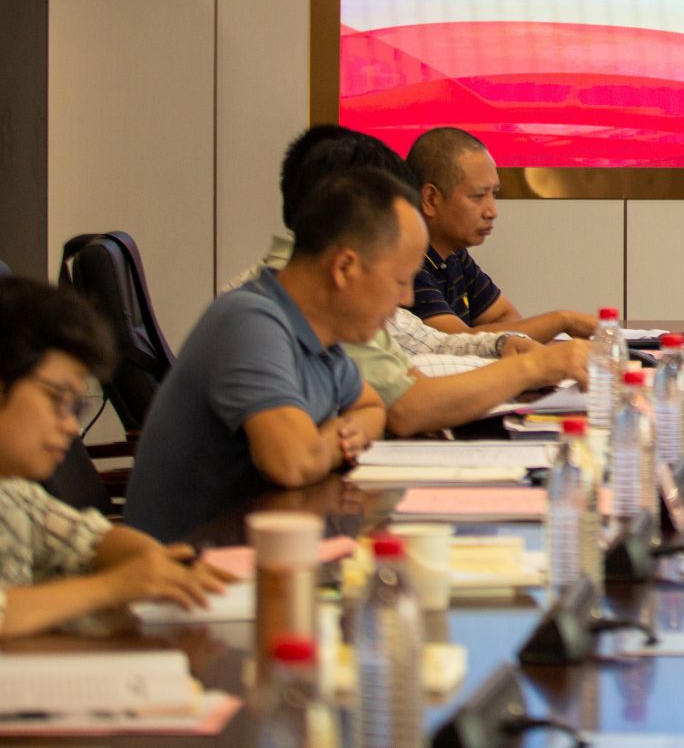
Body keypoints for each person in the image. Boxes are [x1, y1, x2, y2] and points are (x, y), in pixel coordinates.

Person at [125, 170, 409, 540]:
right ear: (344, 268)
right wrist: (335, 444)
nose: (407, 299)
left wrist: (333, 435)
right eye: (400, 281)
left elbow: (371, 407)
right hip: (188, 565)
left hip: (260, 550)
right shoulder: (249, 322)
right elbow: (293, 463)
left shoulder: (320, 338)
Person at [253, 128, 590, 437]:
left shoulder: (322, 287)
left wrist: (504, 347)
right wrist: (530, 367)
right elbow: (403, 408)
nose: (406, 297)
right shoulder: (272, 310)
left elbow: (430, 348)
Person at [0, 277, 231, 634]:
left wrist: (158, 563)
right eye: (56, 400)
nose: (70, 427)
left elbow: (91, 540)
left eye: (75, 407)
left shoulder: (12, 493)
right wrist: (113, 586)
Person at [406, 127, 596, 340]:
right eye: (478, 196)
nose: (492, 211)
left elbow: (507, 318)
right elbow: (456, 343)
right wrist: (562, 320)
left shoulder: (454, 255)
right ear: (431, 199)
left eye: (494, 194)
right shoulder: (407, 263)